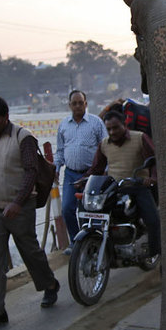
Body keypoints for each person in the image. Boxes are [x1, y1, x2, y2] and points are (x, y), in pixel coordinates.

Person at [0, 96, 61, 330]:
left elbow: (31, 171)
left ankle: (50, 285)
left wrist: (17, 202)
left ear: (6, 117)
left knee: (29, 251)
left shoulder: (23, 137)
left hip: (20, 208)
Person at [76, 111, 161, 260]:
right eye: (108, 129)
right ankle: (91, 245)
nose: (112, 132)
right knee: (86, 207)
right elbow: (96, 169)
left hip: (137, 187)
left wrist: (152, 178)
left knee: (153, 220)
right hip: (114, 189)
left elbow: (154, 161)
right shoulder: (104, 144)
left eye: (115, 128)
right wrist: (84, 180)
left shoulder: (140, 138)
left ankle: (156, 254)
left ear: (125, 125)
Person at [54, 90, 108, 253]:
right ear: (70, 105)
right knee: (67, 209)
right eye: (74, 103)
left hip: (92, 175)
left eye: (80, 103)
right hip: (70, 174)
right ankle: (76, 243)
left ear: (85, 104)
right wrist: (56, 168)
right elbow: (60, 151)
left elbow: (106, 147)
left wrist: (105, 170)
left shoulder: (96, 123)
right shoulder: (63, 125)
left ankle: (94, 245)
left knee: (91, 211)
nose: (77, 106)